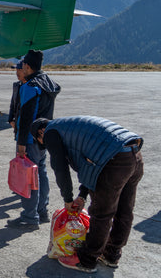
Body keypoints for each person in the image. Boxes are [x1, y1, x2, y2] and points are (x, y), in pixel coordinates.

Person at [30, 116, 144, 273]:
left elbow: (60, 167)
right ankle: (111, 255)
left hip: (114, 160)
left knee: (102, 213)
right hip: (134, 153)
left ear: (41, 132)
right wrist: (82, 196)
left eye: (40, 141)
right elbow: (89, 164)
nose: (44, 144)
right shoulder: (71, 127)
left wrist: (68, 199)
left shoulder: (50, 132)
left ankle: (87, 260)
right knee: (124, 210)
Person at [7, 49, 60, 230]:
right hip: (43, 137)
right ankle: (42, 210)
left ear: (28, 66)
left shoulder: (30, 87)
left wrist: (21, 143)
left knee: (28, 177)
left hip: (29, 139)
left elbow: (26, 118)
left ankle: (29, 216)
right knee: (41, 173)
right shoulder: (48, 83)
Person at [8, 60, 27, 133]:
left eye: (20, 70)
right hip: (17, 128)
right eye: (16, 70)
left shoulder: (32, 87)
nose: (17, 72)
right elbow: (13, 104)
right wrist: (10, 120)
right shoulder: (17, 86)